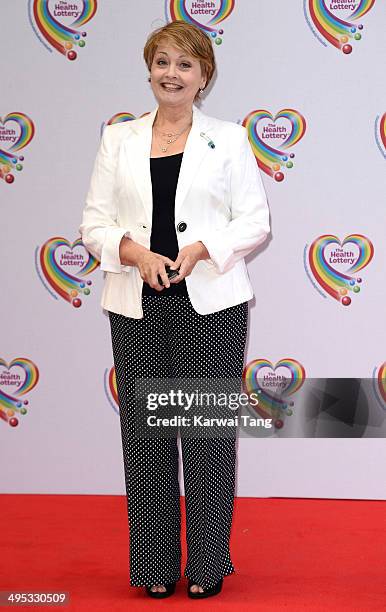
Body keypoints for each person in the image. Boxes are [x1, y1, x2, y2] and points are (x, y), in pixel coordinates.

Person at [79, 20, 270, 600]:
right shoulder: (119, 139)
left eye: (185, 65)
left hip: (210, 302)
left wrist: (202, 249)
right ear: (148, 70)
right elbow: (94, 224)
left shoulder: (231, 140)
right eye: (162, 62)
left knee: (205, 434)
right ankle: (155, 569)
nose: (172, 74)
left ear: (204, 77)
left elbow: (255, 221)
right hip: (137, 301)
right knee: (145, 435)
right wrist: (134, 253)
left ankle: (209, 565)